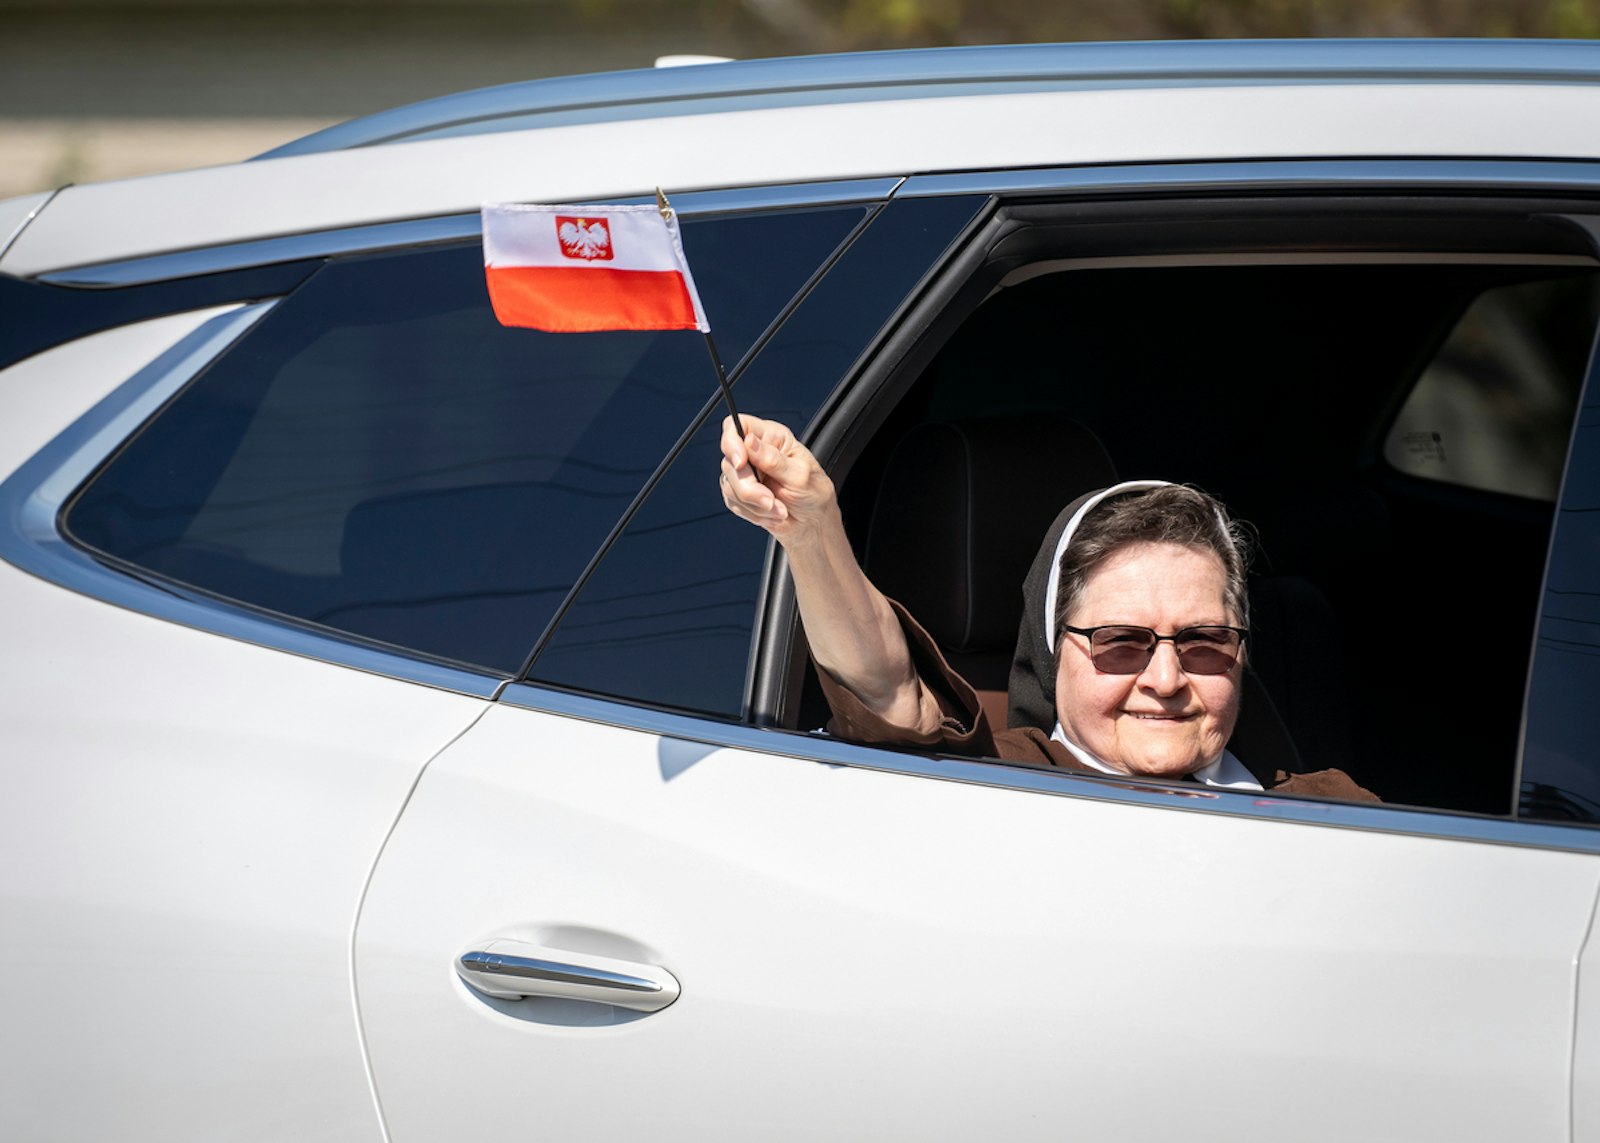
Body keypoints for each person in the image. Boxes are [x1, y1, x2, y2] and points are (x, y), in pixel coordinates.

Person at [719, 414, 1376, 801]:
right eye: (1122, 640)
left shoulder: (1330, 808)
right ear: (1055, 647)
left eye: (1204, 640)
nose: (1167, 680)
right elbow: (887, 687)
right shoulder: (993, 783)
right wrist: (812, 530)